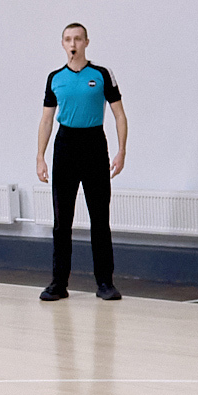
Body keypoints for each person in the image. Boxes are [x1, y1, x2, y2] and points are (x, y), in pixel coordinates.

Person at [37, 22, 127, 302]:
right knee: (62, 220)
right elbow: (47, 119)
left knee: (99, 218)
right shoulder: (55, 78)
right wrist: (40, 156)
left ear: (86, 42)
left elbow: (119, 115)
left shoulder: (101, 74)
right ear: (62, 44)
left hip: (94, 144)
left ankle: (105, 283)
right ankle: (58, 283)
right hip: (65, 146)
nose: (73, 44)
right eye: (68, 39)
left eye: (77, 39)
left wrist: (121, 151)